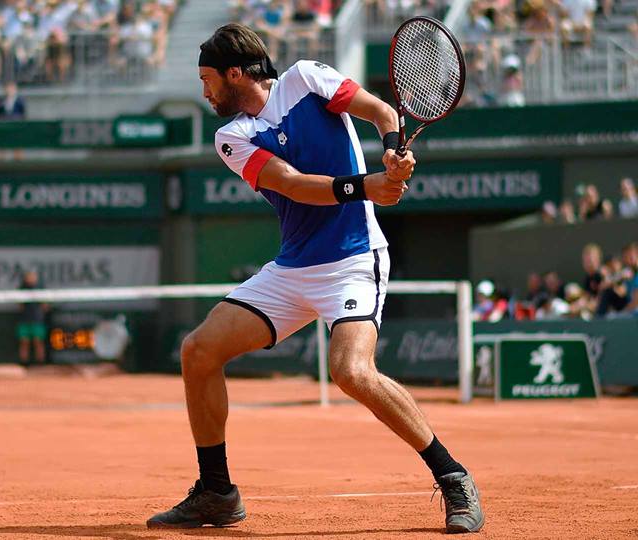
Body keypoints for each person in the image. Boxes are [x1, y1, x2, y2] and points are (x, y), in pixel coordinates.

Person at [146, 24, 484, 534]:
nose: (205, 91)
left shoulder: (306, 78)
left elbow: (382, 110)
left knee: (351, 371)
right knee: (199, 351)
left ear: (235, 73)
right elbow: (293, 185)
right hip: (292, 270)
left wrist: (391, 148)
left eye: (207, 79)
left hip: (353, 258)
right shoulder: (231, 136)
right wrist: (370, 185)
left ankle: (453, 476)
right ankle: (216, 491)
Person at [17, 270, 48, 365]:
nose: (30, 278)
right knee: (24, 342)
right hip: (24, 321)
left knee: (38, 342)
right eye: (29, 276)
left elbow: (45, 306)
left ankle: (40, 364)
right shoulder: (22, 288)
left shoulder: (40, 288)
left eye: (32, 276)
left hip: (37, 321)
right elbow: (20, 306)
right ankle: (24, 364)